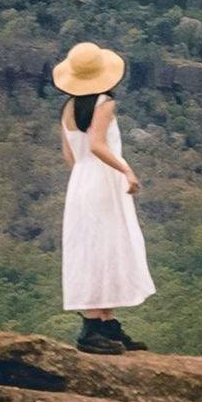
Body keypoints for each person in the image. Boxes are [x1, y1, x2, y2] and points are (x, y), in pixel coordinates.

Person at [51, 40, 155, 353]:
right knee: (108, 245)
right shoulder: (105, 103)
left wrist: (88, 174)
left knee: (94, 247)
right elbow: (97, 144)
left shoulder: (67, 109)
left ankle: (106, 322)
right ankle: (92, 329)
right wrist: (126, 170)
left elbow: (70, 155)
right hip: (103, 180)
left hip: (81, 181)